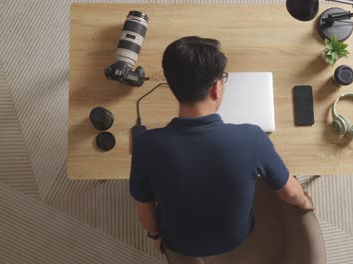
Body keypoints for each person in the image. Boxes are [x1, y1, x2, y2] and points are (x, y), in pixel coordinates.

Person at [129, 36, 314, 263]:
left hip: (179, 243)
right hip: (237, 237)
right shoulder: (252, 137)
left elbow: (145, 213)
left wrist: (156, 236)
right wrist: (305, 202)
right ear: (216, 88)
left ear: (172, 87)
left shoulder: (146, 146)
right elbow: (290, 193)